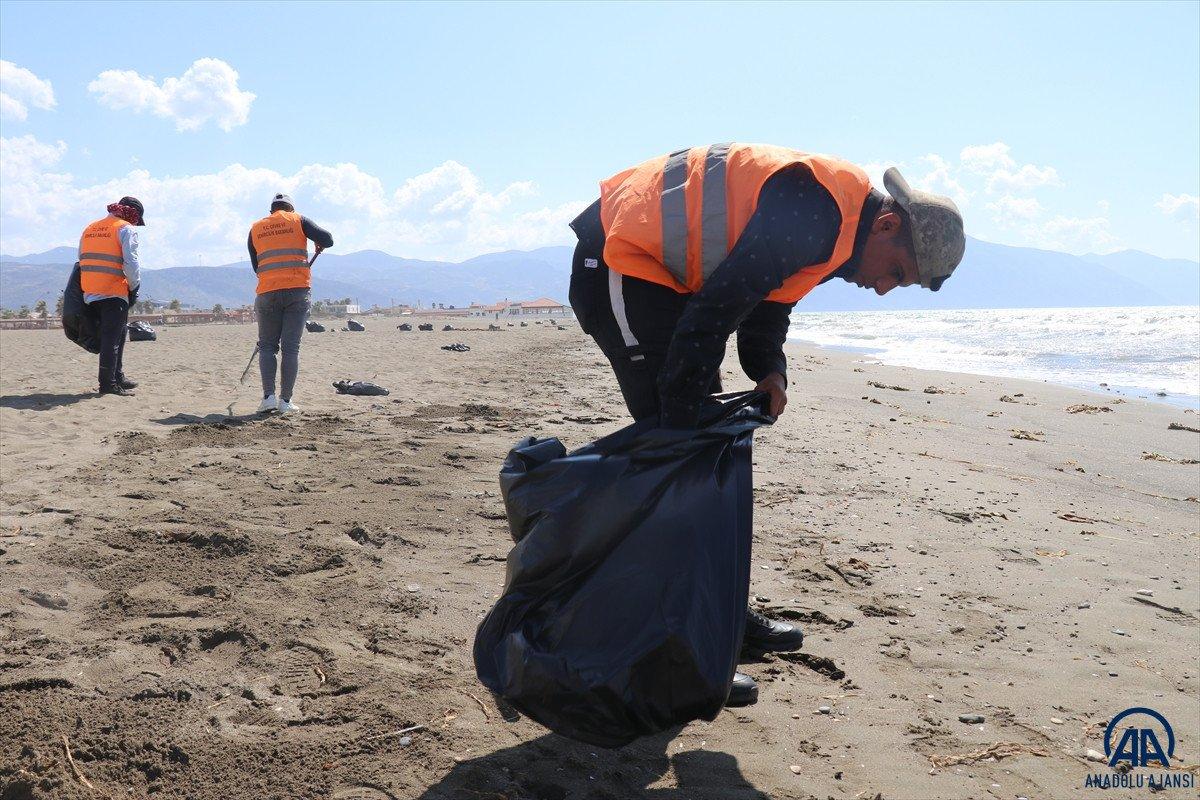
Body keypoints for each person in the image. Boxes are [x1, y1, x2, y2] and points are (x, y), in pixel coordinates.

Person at [568, 143, 966, 707]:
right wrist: (683, 429)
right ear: (887, 223)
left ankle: (719, 616)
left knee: (703, 460)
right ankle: (673, 652)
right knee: (679, 461)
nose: (881, 288)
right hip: (618, 260)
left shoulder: (841, 233)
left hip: (663, 283)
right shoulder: (820, 211)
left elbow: (769, 303)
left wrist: (769, 369)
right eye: (895, 272)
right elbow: (715, 314)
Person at [247, 193, 333, 415]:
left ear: (271, 211)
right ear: (290, 209)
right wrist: (316, 242)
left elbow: (256, 266)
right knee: (290, 348)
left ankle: (268, 398)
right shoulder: (299, 220)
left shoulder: (256, 228)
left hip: (267, 292)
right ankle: (285, 401)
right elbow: (328, 239)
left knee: (267, 346)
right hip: (296, 291)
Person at [78, 196, 144, 396]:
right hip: (114, 292)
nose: (135, 224)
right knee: (112, 339)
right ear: (131, 213)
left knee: (118, 334)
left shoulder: (90, 228)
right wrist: (134, 286)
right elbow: (130, 263)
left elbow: (81, 258)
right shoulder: (125, 229)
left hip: (90, 292)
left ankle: (118, 376)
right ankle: (108, 385)